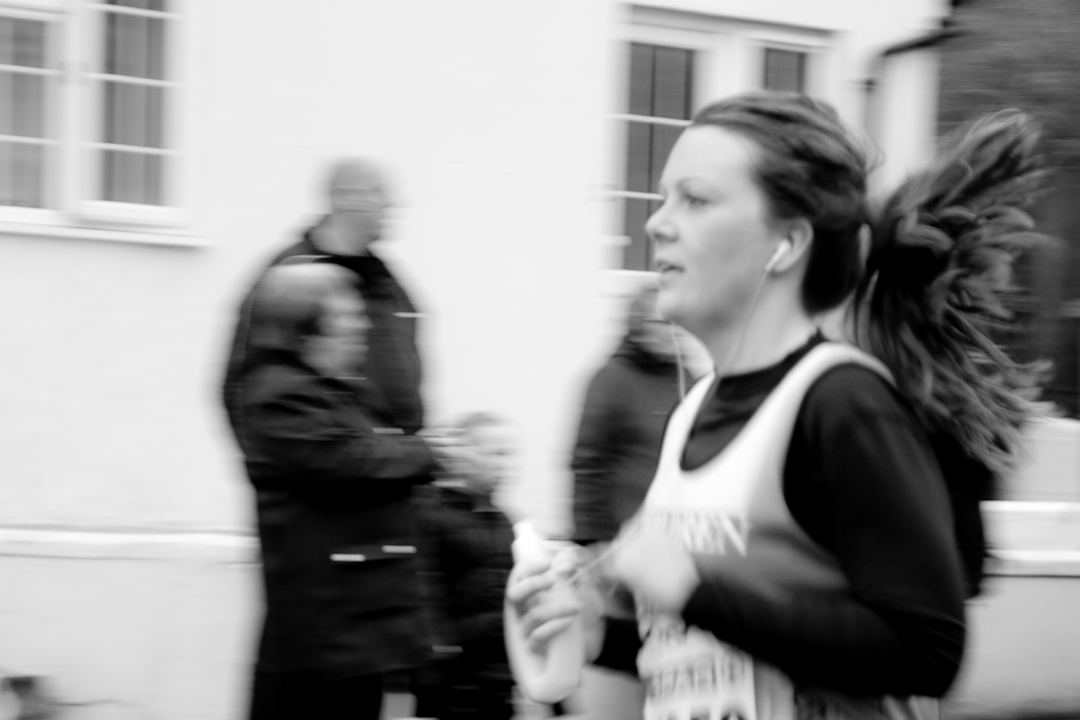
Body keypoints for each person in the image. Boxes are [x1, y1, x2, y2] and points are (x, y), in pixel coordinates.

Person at [508, 93, 1047, 720]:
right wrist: (597, 631)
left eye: (696, 199)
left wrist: (690, 591)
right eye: (663, 198)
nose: (657, 222)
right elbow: (709, 651)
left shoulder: (842, 404)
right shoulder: (691, 412)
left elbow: (928, 650)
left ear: (786, 243)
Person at [234, 263, 438, 720]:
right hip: (321, 640)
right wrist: (426, 453)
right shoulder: (278, 393)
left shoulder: (332, 392)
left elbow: (371, 450)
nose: (362, 325)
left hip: (352, 635)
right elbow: (347, 460)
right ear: (305, 328)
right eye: (347, 316)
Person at [223, 156, 424, 441]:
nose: (392, 203)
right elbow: (243, 385)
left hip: (392, 467)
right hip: (326, 469)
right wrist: (279, 471)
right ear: (344, 197)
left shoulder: (387, 284)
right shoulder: (289, 275)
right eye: (379, 191)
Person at [571, 280, 694, 547]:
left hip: (678, 540)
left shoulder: (690, 382)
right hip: (621, 540)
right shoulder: (611, 381)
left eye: (678, 323)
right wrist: (590, 540)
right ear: (638, 326)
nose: (671, 333)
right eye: (661, 323)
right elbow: (587, 464)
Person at [413, 413, 518, 720]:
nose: (504, 464)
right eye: (495, 453)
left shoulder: (505, 524)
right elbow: (425, 595)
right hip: (452, 682)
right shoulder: (431, 516)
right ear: (463, 455)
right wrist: (436, 662)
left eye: (509, 454)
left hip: (499, 677)